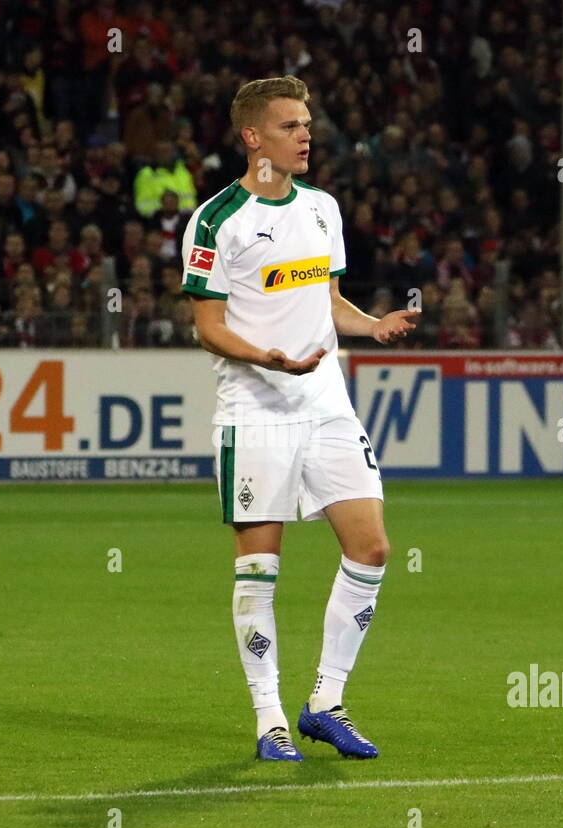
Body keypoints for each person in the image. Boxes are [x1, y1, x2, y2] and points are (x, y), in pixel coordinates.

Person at [180, 76, 418, 762]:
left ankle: (326, 702)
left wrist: (373, 327)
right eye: (290, 126)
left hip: (327, 406)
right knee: (260, 568)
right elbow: (207, 326)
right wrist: (269, 360)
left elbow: (328, 300)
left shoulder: (321, 209)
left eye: (307, 123)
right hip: (255, 412)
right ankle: (270, 719)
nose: (306, 135)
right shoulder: (217, 220)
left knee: (371, 548)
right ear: (252, 137)